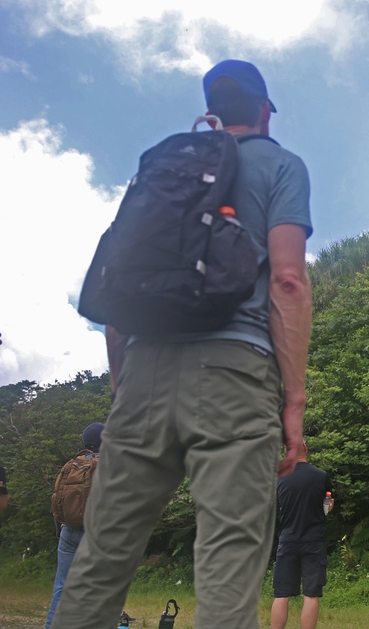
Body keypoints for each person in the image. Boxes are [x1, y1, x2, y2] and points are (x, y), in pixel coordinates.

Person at [52, 59, 313, 629]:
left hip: (142, 371)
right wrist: (294, 401)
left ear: (213, 112)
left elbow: (119, 292)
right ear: (266, 111)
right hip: (235, 376)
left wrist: (124, 388)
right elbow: (287, 281)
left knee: (101, 557)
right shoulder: (280, 166)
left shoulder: (165, 170)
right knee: (226, 559)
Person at [45, 423, 104, 629]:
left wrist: (62, 532)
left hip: (68, 531)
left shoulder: (71, 466)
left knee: (62, 587)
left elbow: (58, 501)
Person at [271, 441, 330, 629]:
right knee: (311, 594)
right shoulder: (321, 476)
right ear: (306, 449)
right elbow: (327, 505)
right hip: (313, 541)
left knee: (281, 594)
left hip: (287, 540)